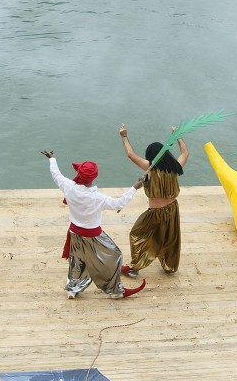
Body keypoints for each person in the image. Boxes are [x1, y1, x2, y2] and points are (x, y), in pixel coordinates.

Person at [41, 149, 147, 299]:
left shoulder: (69, 187)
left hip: (75, 233)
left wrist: (52, 159)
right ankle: (115, 290)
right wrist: (134, 188)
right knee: (115, 255)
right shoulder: (98, 198)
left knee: (77, 261)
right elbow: (118, 203)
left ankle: (73, 289)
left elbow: (56, 175)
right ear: (94, 177)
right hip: (93, 235)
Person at [119, 124, 188, 277]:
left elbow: (131, 155)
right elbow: (185, 153)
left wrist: (124, 136)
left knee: (137, 234)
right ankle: (169, 266)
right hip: (172, 210)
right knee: (170, 239)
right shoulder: (176, 167)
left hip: (155, 213)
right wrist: (178, 136)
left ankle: (135, 267)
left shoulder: (150, 168)